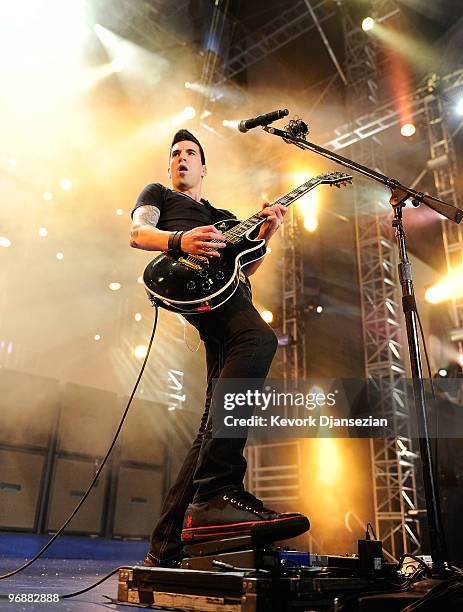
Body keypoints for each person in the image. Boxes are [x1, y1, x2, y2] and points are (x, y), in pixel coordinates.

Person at [130, 129, 309, 567]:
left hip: (230, 296)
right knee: (258, 337)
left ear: (204, 168)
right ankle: (217, 488)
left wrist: (267, 231)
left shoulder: (225, 216)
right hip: (195, 290)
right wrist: (179, 241)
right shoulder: (159, 195)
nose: (182, 159)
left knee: (212, 422)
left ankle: (166, 545)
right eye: (175, 154)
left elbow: (249, 264)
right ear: (169, 166)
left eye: (191, 153)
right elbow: (138, 233)